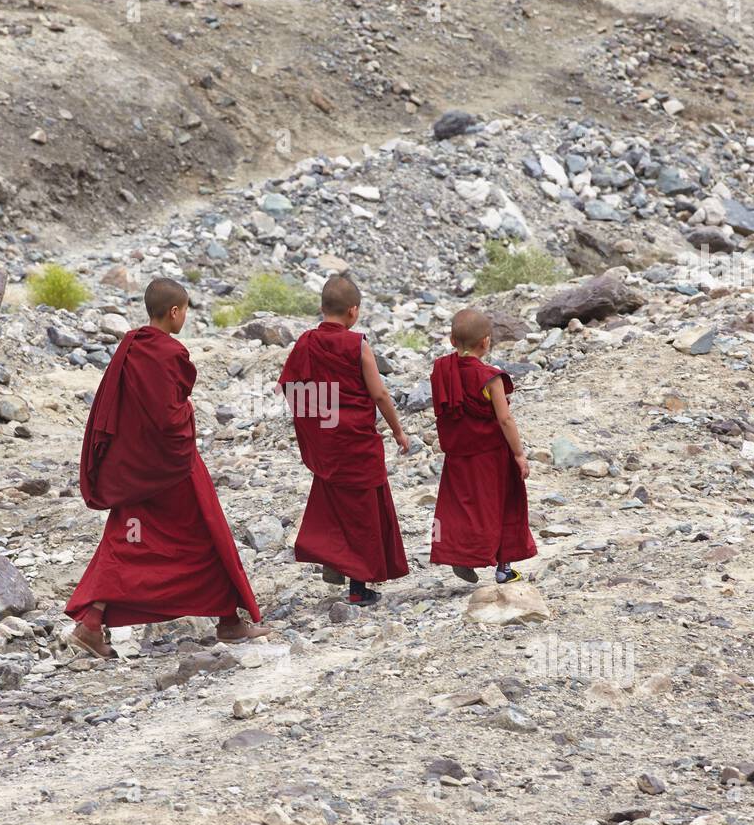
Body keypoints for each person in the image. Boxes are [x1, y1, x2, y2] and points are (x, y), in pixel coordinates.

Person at [66, 278, 267, 657]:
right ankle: (229, 622)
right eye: (186, 310)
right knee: (206, 536)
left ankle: (92, 622)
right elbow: (170, 417)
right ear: (175, 312)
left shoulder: (131, 346)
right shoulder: (167, 352)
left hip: (133, 467)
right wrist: (188, 421)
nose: (186, 317)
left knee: (129, 540)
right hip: (171, 468)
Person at [278, 274, 409, 606]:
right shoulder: (357, 344)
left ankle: (333, 559)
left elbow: (292, 388)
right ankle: (357, 587)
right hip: (357, 442)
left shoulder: (305, 342)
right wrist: (397, 430)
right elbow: (378, 393)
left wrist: (317, 428)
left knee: (333, 507)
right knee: (363, 512)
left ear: (322, 308)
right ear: (354, 311)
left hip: (328, 443)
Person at [429, 308, 536, 583]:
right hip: (491, 456)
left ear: (452, 340)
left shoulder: (442, 370)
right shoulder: (490, 377)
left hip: (459, 456)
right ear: (486, 342)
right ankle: (503, 568)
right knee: (503, 505)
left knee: (461, 508)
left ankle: (460, 555)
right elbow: (505, 418)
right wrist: (519, 454)